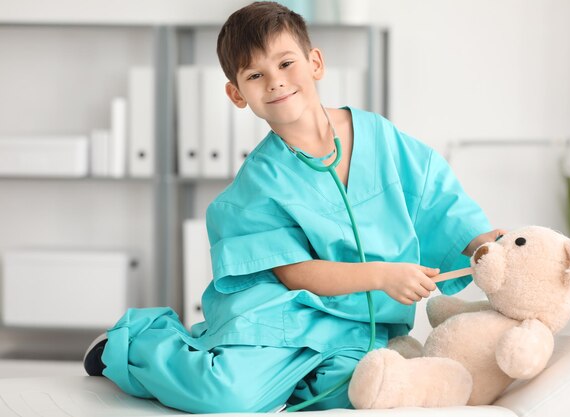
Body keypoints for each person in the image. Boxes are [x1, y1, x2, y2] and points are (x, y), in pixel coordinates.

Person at [83, 1, 504, 413]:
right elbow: (296, 274)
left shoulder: (381, 139)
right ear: (236, 94)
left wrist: (486, 247)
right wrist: (382, 275)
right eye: (255, 75)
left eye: (286, 64)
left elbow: (438, 200)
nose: (275, 82)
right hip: (286, 315)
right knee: (228, 397)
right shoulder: (261, 181)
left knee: (356, 395)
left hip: (358, 325)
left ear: (315, 63)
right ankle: (137, 340)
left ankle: (294, 380)